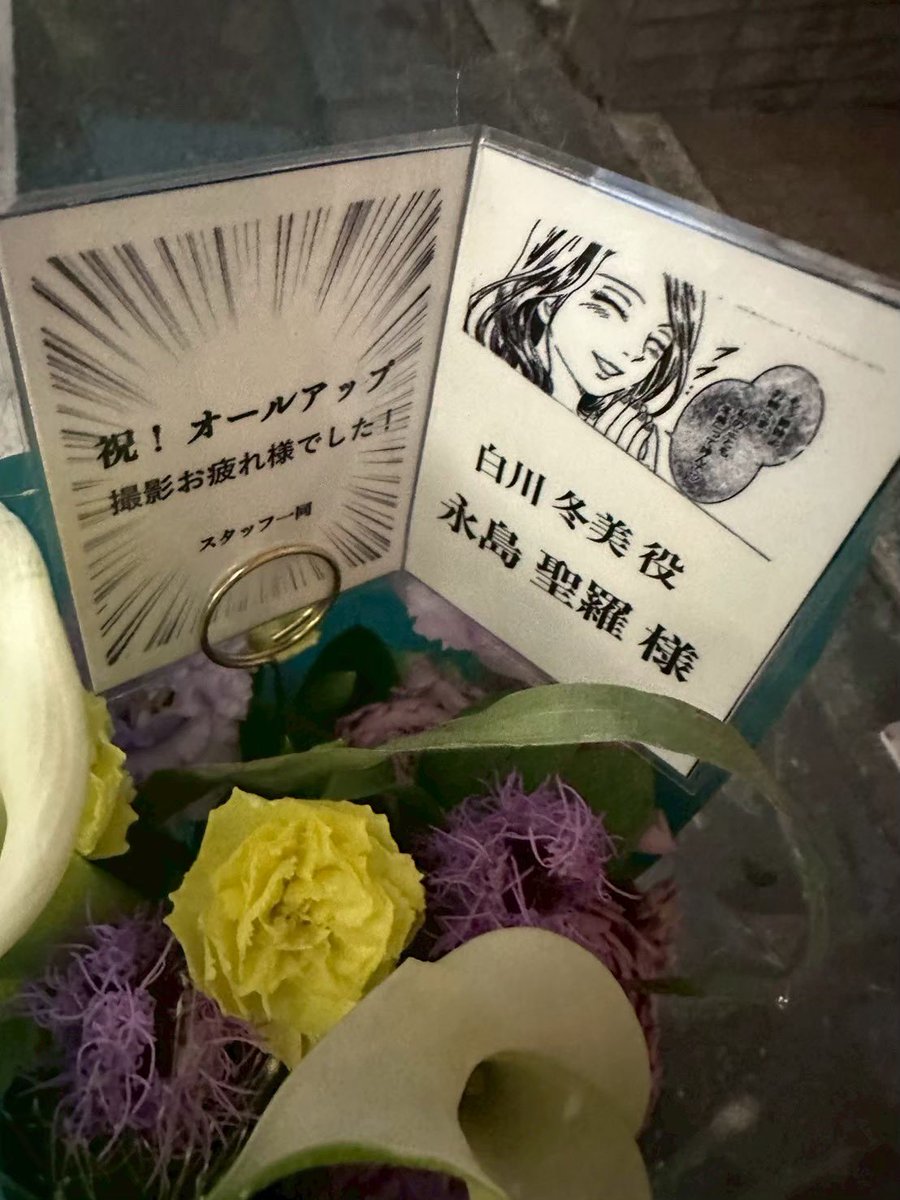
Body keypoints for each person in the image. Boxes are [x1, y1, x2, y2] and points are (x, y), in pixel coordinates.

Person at [465, 222, 705, 472]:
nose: (635, 351)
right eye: (611, 304)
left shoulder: (631, 437)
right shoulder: (489, 385)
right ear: (551, 299)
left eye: (658, 342)